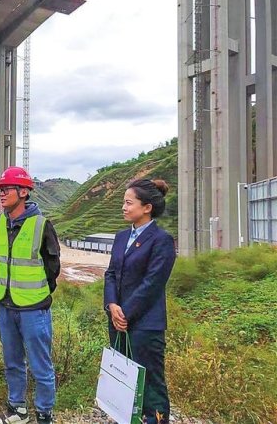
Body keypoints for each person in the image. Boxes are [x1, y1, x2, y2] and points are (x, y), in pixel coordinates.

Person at [0, 166, 61, 424]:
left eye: (6, 189)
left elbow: (53, 268)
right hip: (6, 306)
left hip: (34, 309)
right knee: (12, 362)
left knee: (41, 365)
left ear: (23, 192)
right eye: (0, 189)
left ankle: (44, 414)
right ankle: (18, 410)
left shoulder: (42, 226)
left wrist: (36, 295)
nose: (1, 193)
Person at [103, 179, 176, 424]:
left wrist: (125, 313)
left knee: (150, 383)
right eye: (123, 202)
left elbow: (153, 283)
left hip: (145, 324)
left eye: (128, 203)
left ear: (147, 208)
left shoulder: (161, 240)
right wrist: (112, 306)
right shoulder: (121, 237)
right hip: (117, 320)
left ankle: (155, 419)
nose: (123, 207)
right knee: (123, 381)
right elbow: (111, 273)